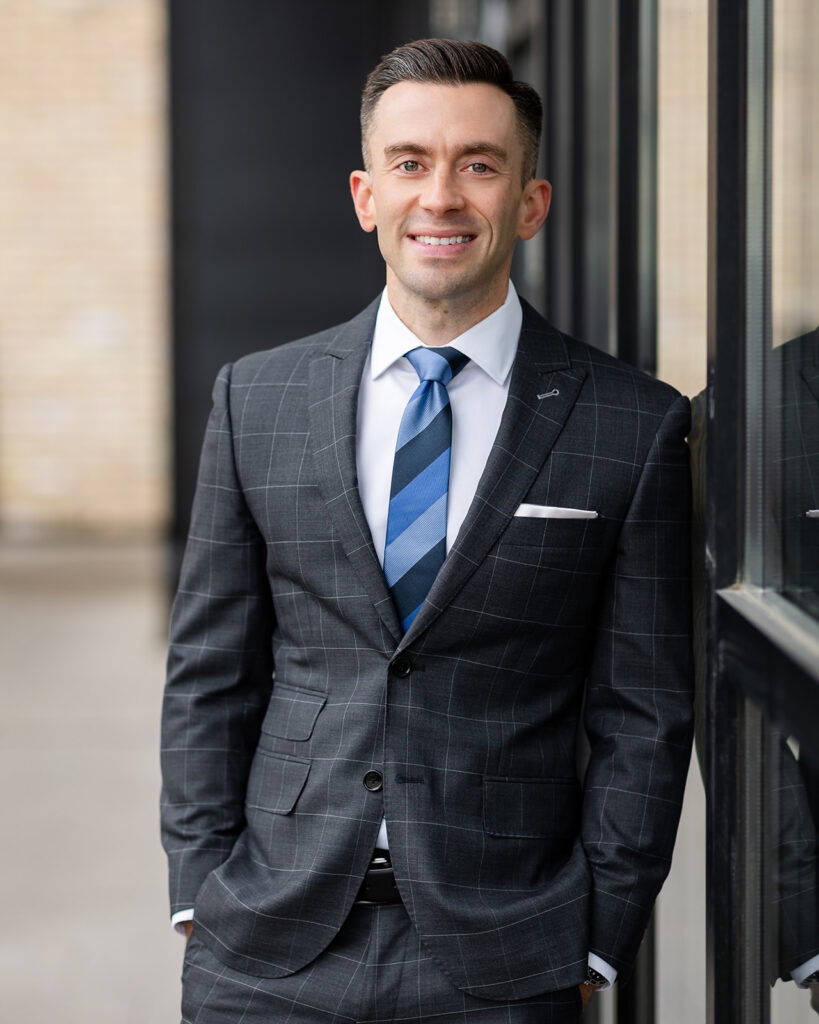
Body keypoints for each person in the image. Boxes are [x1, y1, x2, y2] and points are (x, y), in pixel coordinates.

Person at [161, 38, 695, 1023]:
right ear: (367, 195)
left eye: (478, 165)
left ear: (530, 202)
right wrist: (198, 887)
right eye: (410, 163)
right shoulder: (257, 399)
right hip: (266, 948)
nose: (440, 197)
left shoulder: (633, 422)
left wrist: (599, 930)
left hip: (505, 955)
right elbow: (209, 671)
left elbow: (644, 711)